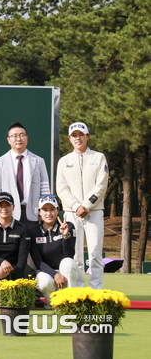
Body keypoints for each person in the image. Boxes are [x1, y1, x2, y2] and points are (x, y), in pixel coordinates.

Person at [56, 122, 108, 289]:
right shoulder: (64, 161)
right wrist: (77, 206)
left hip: (94, 212)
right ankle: (76, 292)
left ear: (88, 136)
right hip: (72, 213)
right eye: (74, 135)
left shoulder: (98, 157)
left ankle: (95, 292)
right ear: (70, 139)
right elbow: (61, 189)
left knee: (95, 255)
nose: (78, 138)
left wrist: (86, 205)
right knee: (76, 256)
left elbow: (101, 184)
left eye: (81, 134)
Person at [0, 121, 50, 231]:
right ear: (8, 140)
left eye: (22, 135)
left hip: (33, 214)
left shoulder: (38, 161)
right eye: (14, 136)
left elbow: (44, 188)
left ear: (27, 138)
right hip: (8, 215)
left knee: (34, 247)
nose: (18, 139)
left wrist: (45, 212)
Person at [30, 195, 82, 309]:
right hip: (47, 272)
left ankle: (70, 303)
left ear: (58, 210)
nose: (49, 213)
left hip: (66, 271)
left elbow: (68, 255)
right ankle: (52, 304)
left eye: (52, 209)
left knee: (68, 262)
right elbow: (38, 261)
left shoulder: (68, 226)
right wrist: (55, 275)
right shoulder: (34, 232)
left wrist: (65, 236)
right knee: (43, 282)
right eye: (45, 210)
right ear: (39, 212)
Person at [0, 192, 32, 280]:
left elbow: (22, 258)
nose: (4, 209)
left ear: (13, 207)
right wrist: (2, 261)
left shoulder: (22, 229)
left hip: (15, 269)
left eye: (7, 205)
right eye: (0, 205)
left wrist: (16, 279)